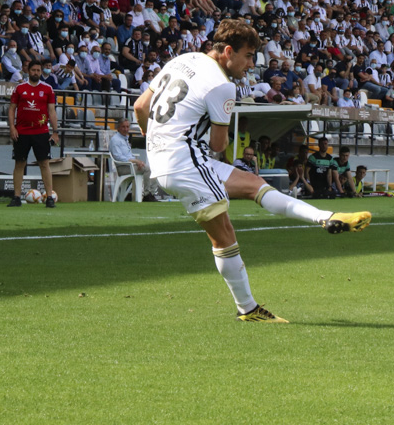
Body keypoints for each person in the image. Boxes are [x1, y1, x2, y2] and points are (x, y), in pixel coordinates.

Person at [133, 19, 371, 324]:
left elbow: (141, 106)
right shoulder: (222, 85)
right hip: (185, 162)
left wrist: (157, 145)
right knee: (224, 238)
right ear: (228, 51)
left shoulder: (183, 59)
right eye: (247, 56)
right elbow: (219, 145)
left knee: (254, 184)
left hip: (172, 158)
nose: (250, 65)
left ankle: (325, 217)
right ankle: (247, 308)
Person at [7, 61, 59, 208]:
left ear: (41, 72)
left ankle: (49, 197)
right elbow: (12, 109)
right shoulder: (20, 88)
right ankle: (16, 197)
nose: (36, 72)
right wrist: (12, 127)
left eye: (38, 70)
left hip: (41, 132)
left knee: (44, 164)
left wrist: (55, 132)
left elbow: (52, 111)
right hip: (21, 132)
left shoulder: (48, 89)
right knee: (19, 163)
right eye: (33, 70)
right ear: (28, 71)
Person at [110, 117, 160, 200]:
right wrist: (135, 161)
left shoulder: (124, 139)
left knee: (152, 169)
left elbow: (128, 155)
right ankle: (147, 194)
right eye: (123, 127)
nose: (126, 129)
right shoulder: (115, 140)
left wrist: (138, 162)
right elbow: (118, 157)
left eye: (127, 127)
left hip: (130, 165)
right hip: (123, 167)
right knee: (148, 169)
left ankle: (150, 193)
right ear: (118, 128)